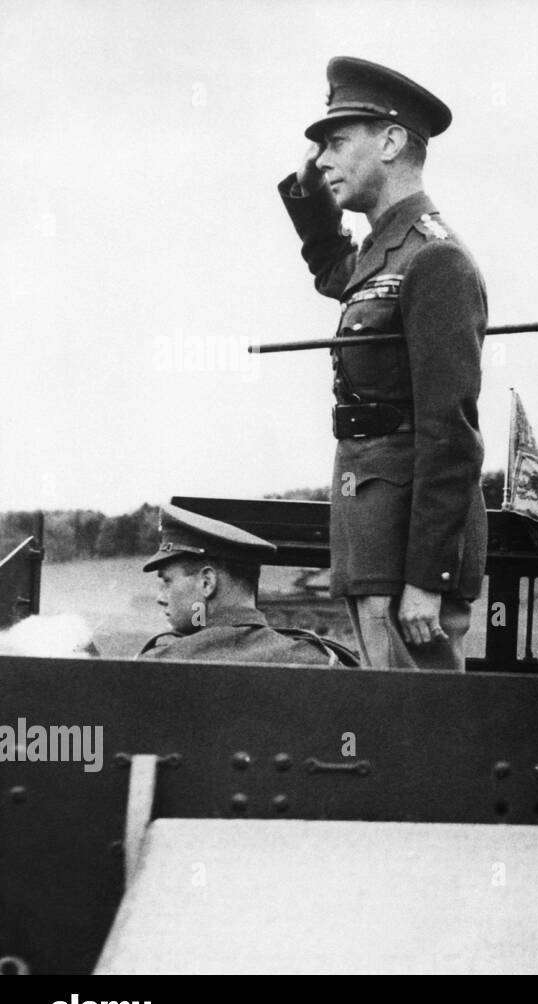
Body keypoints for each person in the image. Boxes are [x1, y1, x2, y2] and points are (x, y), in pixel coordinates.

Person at [279, 56, 487, 670]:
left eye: (338, 142)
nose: (323, 159)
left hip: (409, 557)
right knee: (390, 736)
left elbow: (451, 433)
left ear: (392, 141)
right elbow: (330, 270)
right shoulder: (382, 253)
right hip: (372, 532)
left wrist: (429, 576)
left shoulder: (435, 259)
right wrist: (308, 191)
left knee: (419, 742)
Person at [137, 506, 356, 665]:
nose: (161, 597)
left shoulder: (155, 664)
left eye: (167, 581)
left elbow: (101, 729)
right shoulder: (321, 662)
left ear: (207, 582)